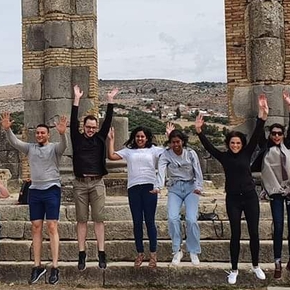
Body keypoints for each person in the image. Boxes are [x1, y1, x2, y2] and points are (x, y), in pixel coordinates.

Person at [195, 109, 266, 284]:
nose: (235, 145)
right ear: (228, 144)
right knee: (235, 233)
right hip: (233, 199)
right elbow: (209, 147)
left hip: (250, 197)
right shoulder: (223, 157)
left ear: (242, 144)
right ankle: (234, 269)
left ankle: (256, 266)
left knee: (254, 233)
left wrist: (262, 118)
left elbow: (256, 135)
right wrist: (199, 131)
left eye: (238, 143)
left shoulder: (247, 153)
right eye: (232, 143)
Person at [252, 92, 290, 279]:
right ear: (270, 135)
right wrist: (261, 113)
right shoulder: (265, 147)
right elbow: (257, 133)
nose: (277, 136)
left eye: (280, 133)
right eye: (274, 134)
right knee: (278, 226)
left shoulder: (289, 144)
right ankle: (278, 262)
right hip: (275, 190)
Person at [1, 111, 68, 285]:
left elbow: (64, 146)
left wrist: (63, 133)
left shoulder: (54, 148)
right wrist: (8, 130)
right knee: (36, 227)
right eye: (37, 133)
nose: (39, 135)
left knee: (52, 226)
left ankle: (54, 266)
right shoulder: (30, 148)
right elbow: (15, 142)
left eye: (42, 133)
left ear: (48, 134)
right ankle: (37, 266)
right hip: (35, 190)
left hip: (52, 188)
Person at [107, 124, 169, 269]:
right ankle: (140, 253)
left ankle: (153, 254)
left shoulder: (154, 150)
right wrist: (111, 140)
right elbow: (112, 156)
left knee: (149, 221)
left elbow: (169, 152)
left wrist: (168, 136)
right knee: (136, 222)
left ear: (147, 138)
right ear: (134, 138)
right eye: (137, 136)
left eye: (142, 136)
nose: (140, 139)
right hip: (134, 188)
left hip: (149, 187)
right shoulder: (129, 151)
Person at [70, 85, 118, 270]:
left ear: (97, 128)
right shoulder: (77, 137)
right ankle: (81, 254)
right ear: (83, 127)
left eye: (93, 127)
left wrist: (110, 100)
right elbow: (73, 120)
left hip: (97, 183)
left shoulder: (100, 138)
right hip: (80, 183)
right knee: (81, 220)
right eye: (88, 127)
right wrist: (76, 99)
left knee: (99, 219)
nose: (90, 130)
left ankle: (101, 253)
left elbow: (108, 120)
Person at [157, 127, 204, 267]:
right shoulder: (166, 154)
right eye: (173, 142)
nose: (176, 145)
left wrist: (199, 187)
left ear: (182, 142)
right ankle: (177, 249)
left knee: (191, 219)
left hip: (191, 188)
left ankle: (193, 250)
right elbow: (161, 170)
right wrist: (158, 186)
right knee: (172, 218)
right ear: (170, 143)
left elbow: (198, 170)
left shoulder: (190, 154)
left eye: (178, 142)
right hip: (174, 188)